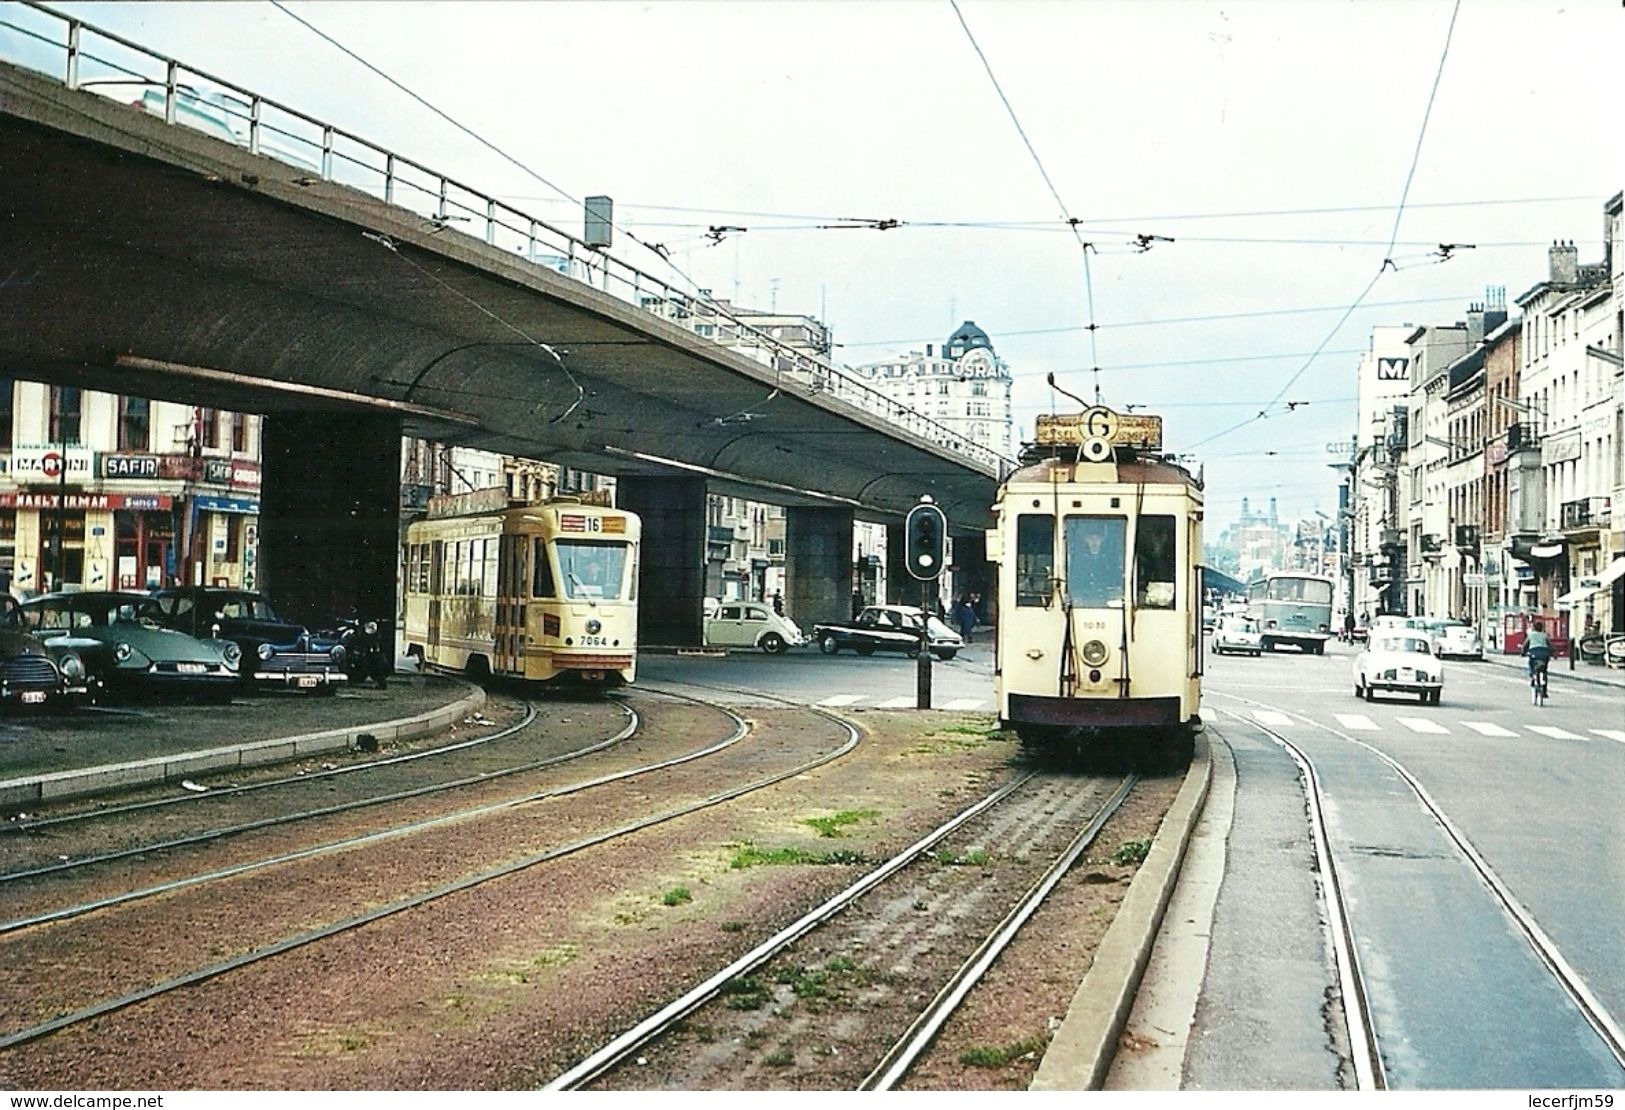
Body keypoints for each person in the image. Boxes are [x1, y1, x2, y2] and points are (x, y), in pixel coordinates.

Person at [1070, 521, 1123, 608]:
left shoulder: (1111, 561)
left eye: (1097, 538)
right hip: (1081, 604)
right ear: (1085, 540)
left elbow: (1116, 581)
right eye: (1090, 538)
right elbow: (1074, 582)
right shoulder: (1077, 560)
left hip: (1107, 603)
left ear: (1102, 540)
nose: (1094, 542)